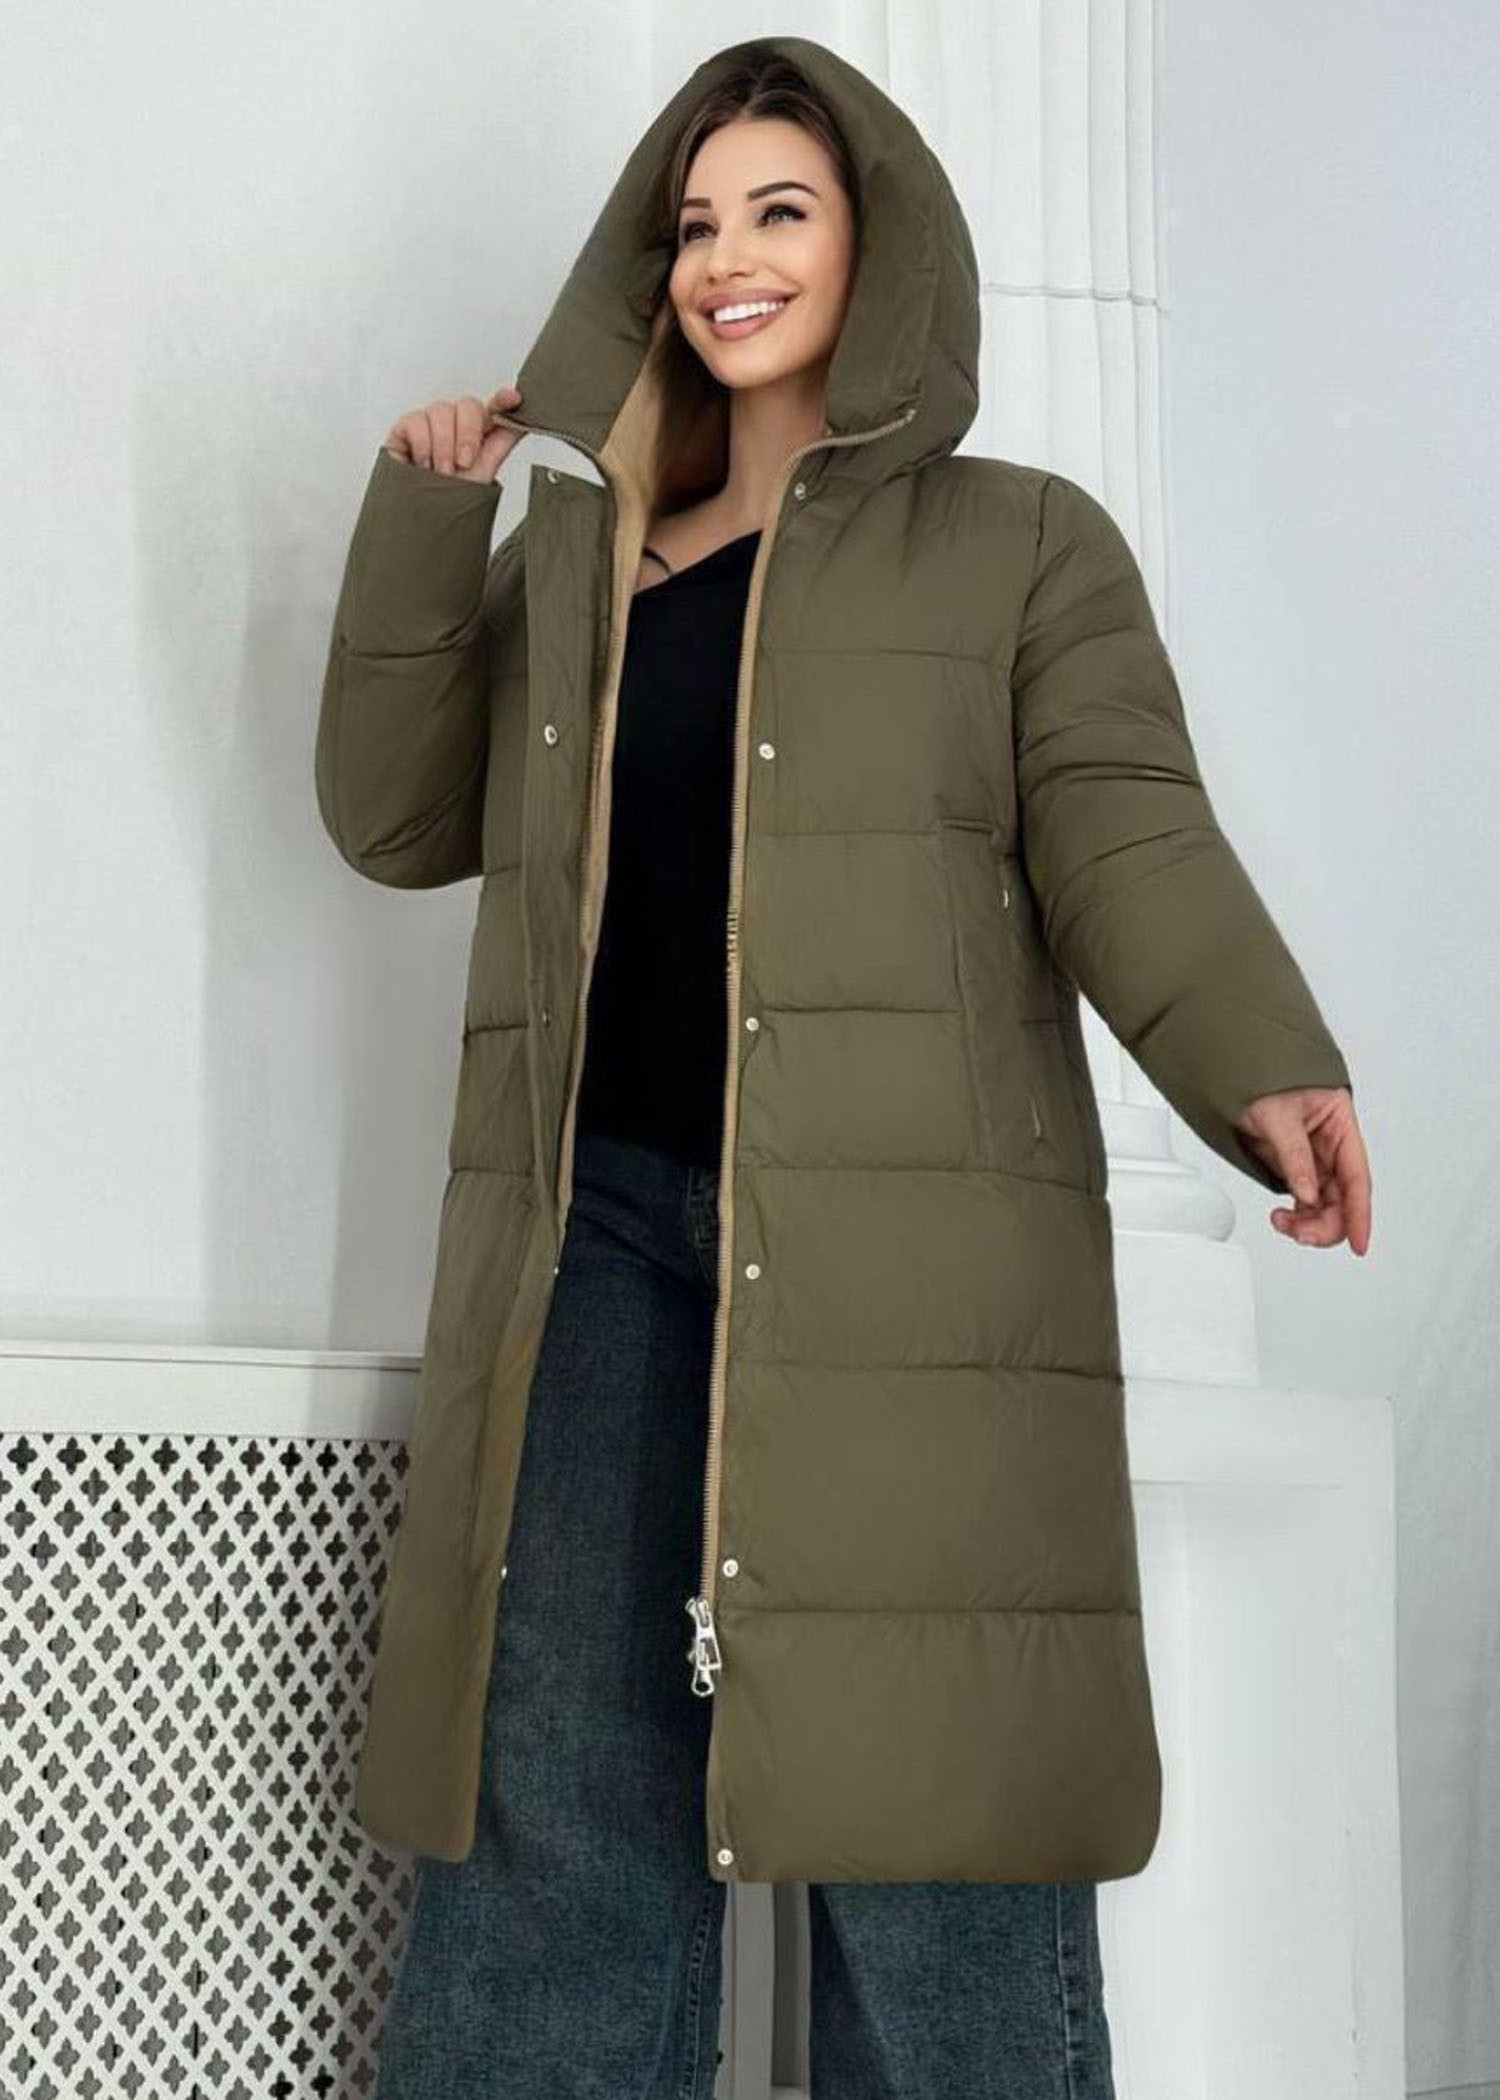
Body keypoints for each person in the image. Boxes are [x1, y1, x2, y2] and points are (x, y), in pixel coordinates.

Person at [315, 33, 1372, 2100]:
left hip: (898, 1259)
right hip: (597, 1236)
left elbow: (1127, 832)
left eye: (778, 212)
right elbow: (399, 816)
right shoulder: (581, 567)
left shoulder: (1020, 547)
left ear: (875, 249)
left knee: (933, 1818)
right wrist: (430, 526)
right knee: (556, 1806)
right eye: (694, 224)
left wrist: (1262, 1063)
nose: (728, 259)